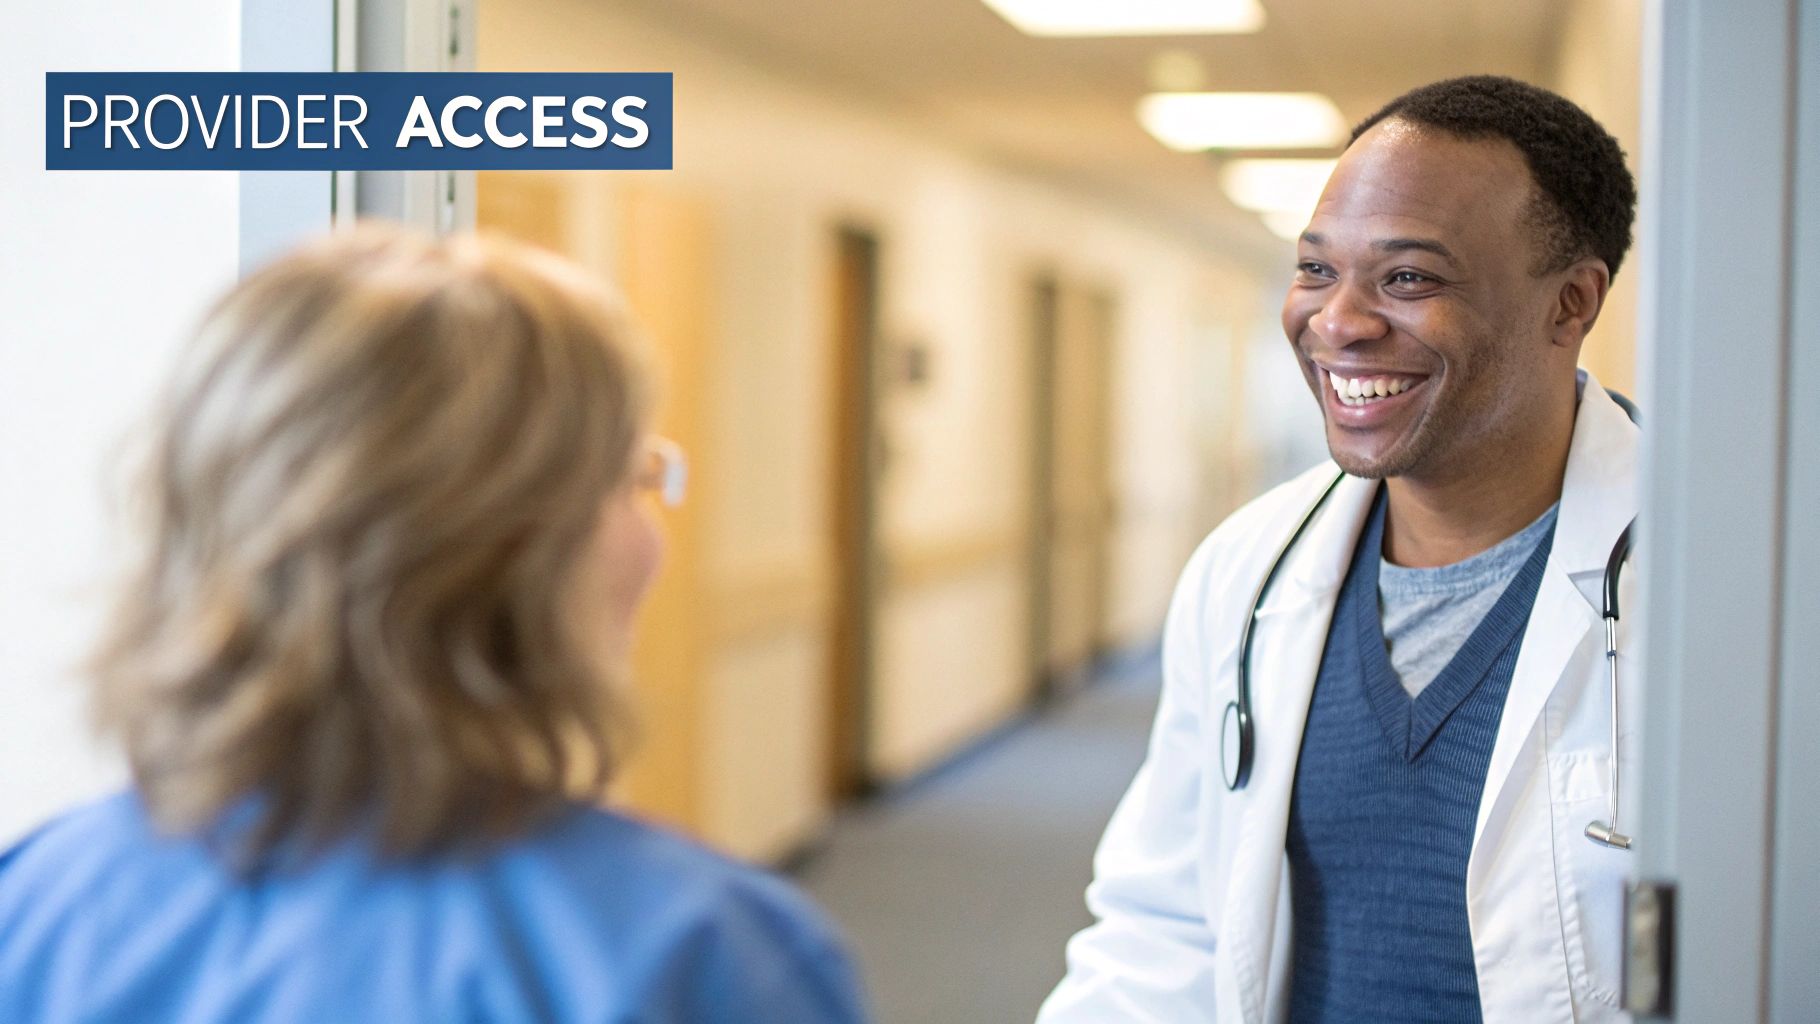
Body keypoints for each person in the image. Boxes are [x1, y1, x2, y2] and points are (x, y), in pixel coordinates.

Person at [0, 226, 869, 1023]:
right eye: (634, 479)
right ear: (524, 542)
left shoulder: (39, 905)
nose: (652, 532)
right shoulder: (695, 956)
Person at [1041, 76, 1641, 1022]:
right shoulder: (1249, 568)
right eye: (1317, 269)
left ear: (1570, 304)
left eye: (1408, 278)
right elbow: (1164, 928)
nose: (1339, 322)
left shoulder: (1711, 591)